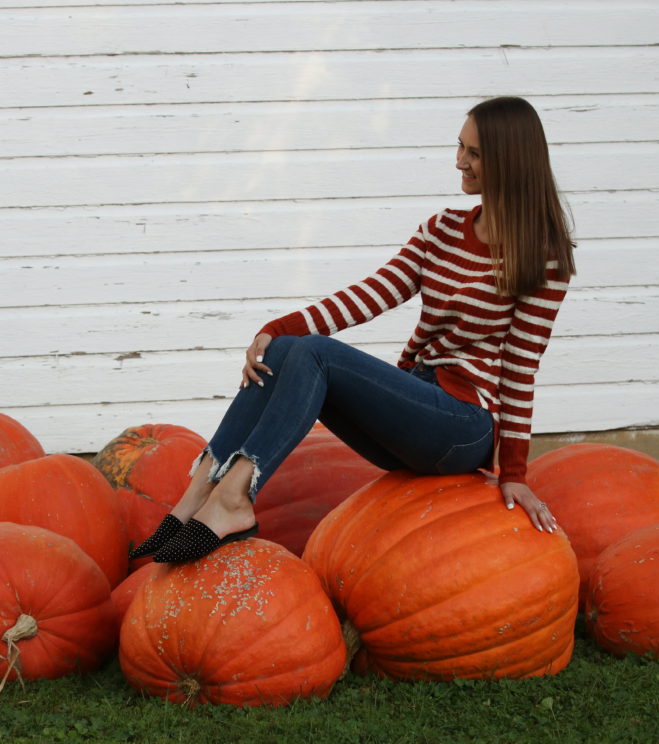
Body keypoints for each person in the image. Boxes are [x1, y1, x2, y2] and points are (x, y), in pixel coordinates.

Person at [134, 96, 577, 564]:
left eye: (475, 153)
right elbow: (371, 294)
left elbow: (521, 369)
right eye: (460, 147)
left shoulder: (542, 257)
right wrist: (274, 329)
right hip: (416, 399)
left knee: (315, 353)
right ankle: (196, 496)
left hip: (463, 424)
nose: (459, 161)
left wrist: (514, 474)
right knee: (286, 349)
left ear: (509, 161)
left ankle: (234, 497)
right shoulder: (442, 230)